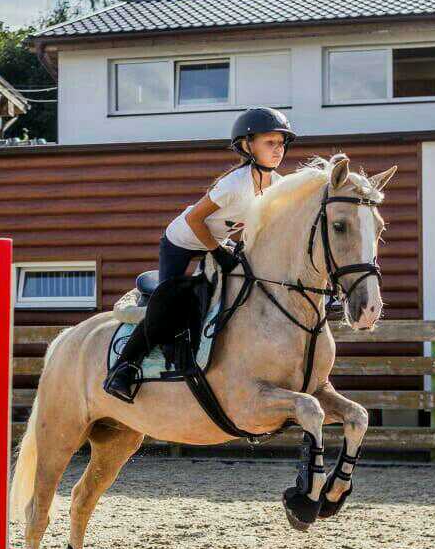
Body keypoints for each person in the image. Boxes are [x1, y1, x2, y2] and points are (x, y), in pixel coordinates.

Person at [104, 107, 295, 401]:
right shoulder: (234, 183)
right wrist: (217, 252)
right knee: (167, 305)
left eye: (281, 143)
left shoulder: (277, 185)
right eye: (270, 142)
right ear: (248, 146)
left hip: (216, 241)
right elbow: (195, 219)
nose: (278, 149)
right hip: (181, 240)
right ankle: (123, 370)